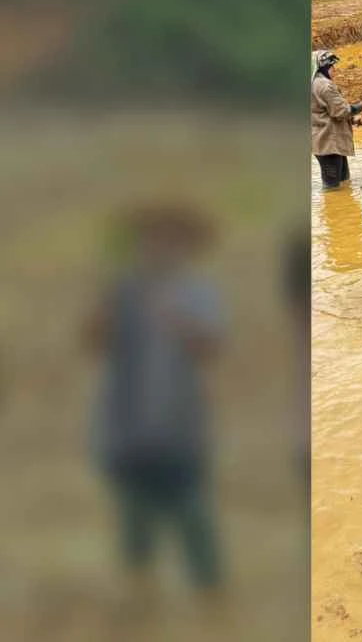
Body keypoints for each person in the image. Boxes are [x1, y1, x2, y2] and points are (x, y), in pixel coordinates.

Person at [84, 203, 224, 597]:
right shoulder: (122, 288)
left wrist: (173, 318)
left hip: (180, 422)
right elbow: (93, 343)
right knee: (133, 517)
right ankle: (140, 596)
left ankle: (211, 597)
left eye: (168, 239)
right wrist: (104, 307)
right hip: (126, 422)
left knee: (192, 513)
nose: (158, 247)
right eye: (150, 238)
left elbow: (211, 346)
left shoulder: (197, 289)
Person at [311, 50, 362, 192]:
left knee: (343, 183)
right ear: (323, 67)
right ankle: (333, 211)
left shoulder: (313, 84)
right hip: (329, 143)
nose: (334, 70)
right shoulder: (325, 85)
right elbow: (342, 111)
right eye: (332, 66)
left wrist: (357, 120)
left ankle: (339, 210)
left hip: (324, 142)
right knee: (332, 189)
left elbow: (327, 113)